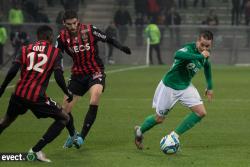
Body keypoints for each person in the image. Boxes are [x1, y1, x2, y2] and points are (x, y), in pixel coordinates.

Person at [55, 10, 131, 149]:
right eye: (69, 24)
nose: (72, 26)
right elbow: (55, 55)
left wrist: (121, 47)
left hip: (95, 72)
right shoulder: (61, 38)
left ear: (78, 21)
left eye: (74, 23)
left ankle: (81, 137)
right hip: (77, 75)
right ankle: (73, 134)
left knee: (95, 97)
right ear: (64, 23)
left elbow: (108, 38)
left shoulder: (90, 30)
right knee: (64, 111)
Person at [0, 25, 73, 162]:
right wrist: (67, 92)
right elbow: (58, 77)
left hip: (18, 94)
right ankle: (36, 150)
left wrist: (3, 88)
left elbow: (12, 71)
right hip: (36, 97)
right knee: (64, 118)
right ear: (48, 37)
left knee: (5, 121)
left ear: (38, 36)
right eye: (52, 36)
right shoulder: (55, 52)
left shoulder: (24, 49)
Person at [134, 30, 213, 151]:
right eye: (202, 45)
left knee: (201, 112)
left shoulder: (205, 54)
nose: (204, 48)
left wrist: (210, 86)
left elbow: (207, 66)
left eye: (207, 46)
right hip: (169, 87)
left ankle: (173, 136)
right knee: (159, 119)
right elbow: (177, 55)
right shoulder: (188, 49)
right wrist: (200, 56)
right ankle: (139, 131)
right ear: (197, 41)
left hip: (186, 87)